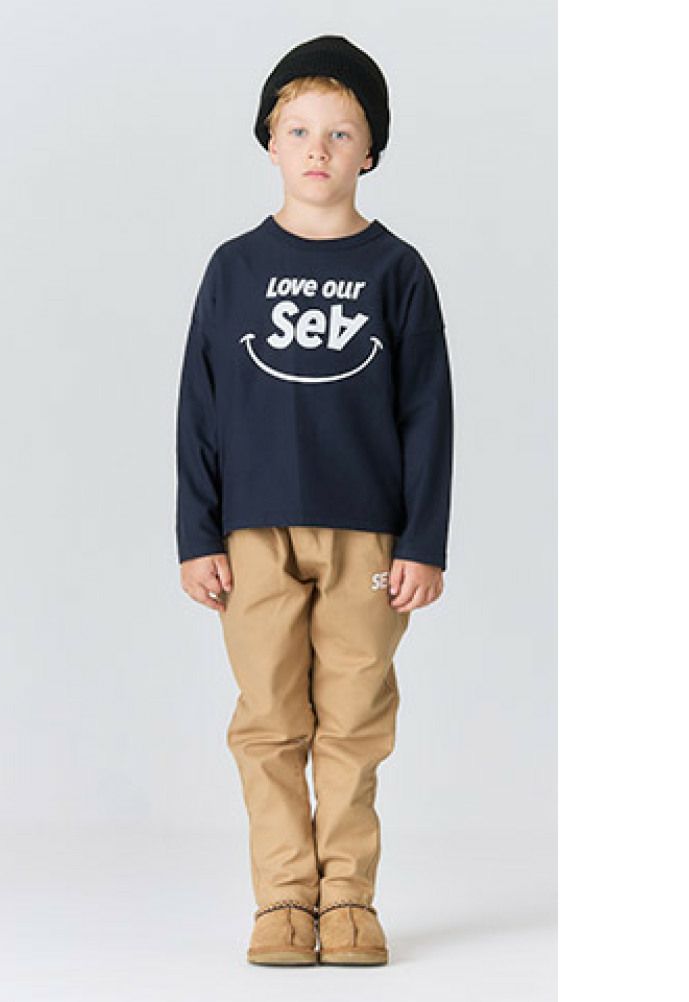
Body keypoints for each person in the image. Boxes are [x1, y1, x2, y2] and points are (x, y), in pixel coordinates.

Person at [175, 34, 454, 967]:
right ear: (270, 143)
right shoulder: (233, 267)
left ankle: (349, 903)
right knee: (268, 721)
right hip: (251, 533)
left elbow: (428, 412)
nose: (318, 149)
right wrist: (196, 533)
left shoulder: (397, 270)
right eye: (298, 130)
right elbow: (200, 405)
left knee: (354, 720)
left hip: (369, 535)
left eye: (340, 132)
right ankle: (285, 901)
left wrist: (423, 541)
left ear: (371, 150)